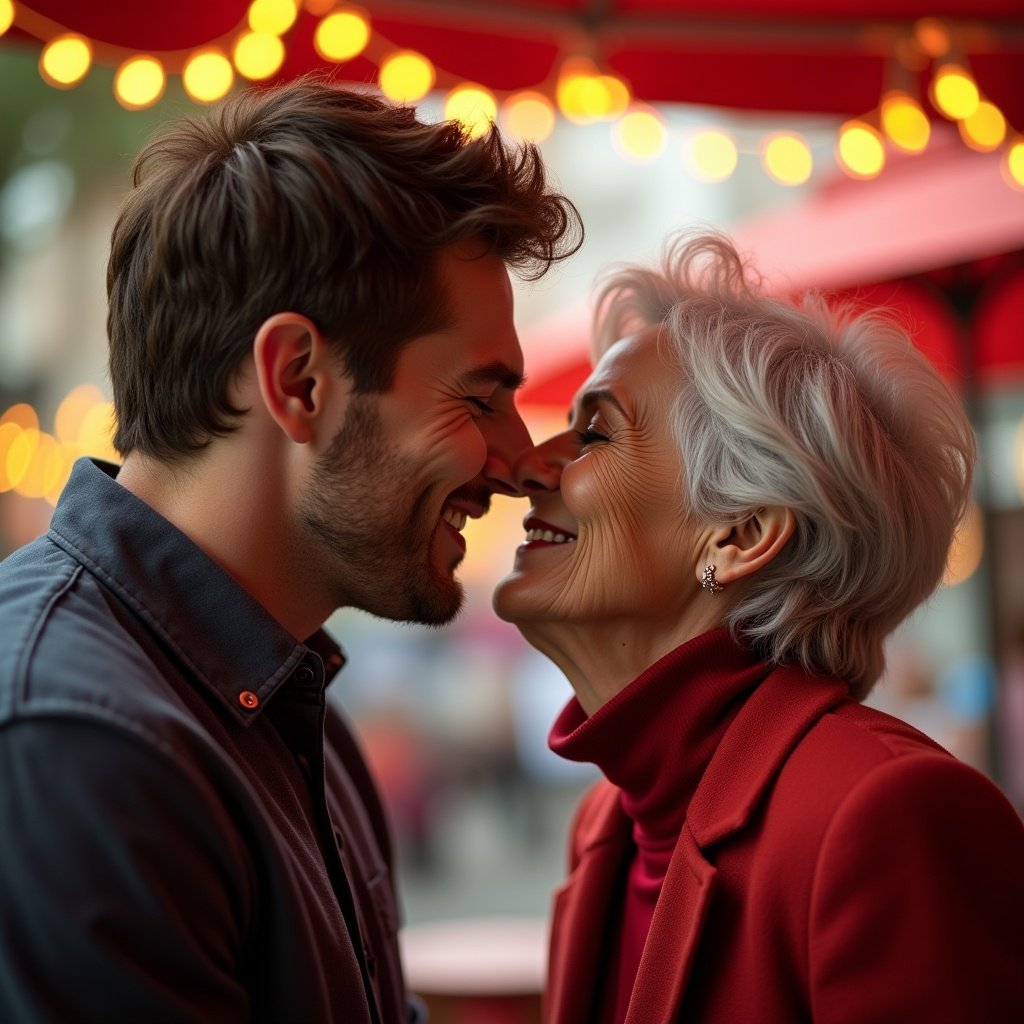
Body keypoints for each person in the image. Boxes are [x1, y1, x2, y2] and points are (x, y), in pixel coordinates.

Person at [0, 78, 581, 1023]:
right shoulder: (79, 740)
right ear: (299, 380)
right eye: (477, 399)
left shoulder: (290, 712)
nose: (519, 462)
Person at [493, 232, 1024, 1023]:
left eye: (597, 432)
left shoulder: (888, 813)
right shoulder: (607, 824)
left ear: (741, 536)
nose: (528, 464)